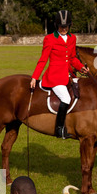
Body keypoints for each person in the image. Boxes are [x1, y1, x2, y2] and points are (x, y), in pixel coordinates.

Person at [30, 10, 89, 139]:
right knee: (66, 99)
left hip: (68, 75)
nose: (64, 29)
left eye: (66, 26)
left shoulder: (72, 38)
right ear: (57, 26)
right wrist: (34, 77)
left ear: (70, 25)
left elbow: (72, 58)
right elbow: (43, 59)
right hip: (54, 77)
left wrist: (81, 67)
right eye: (61, 26)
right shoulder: (49, 39)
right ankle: (59, 128)